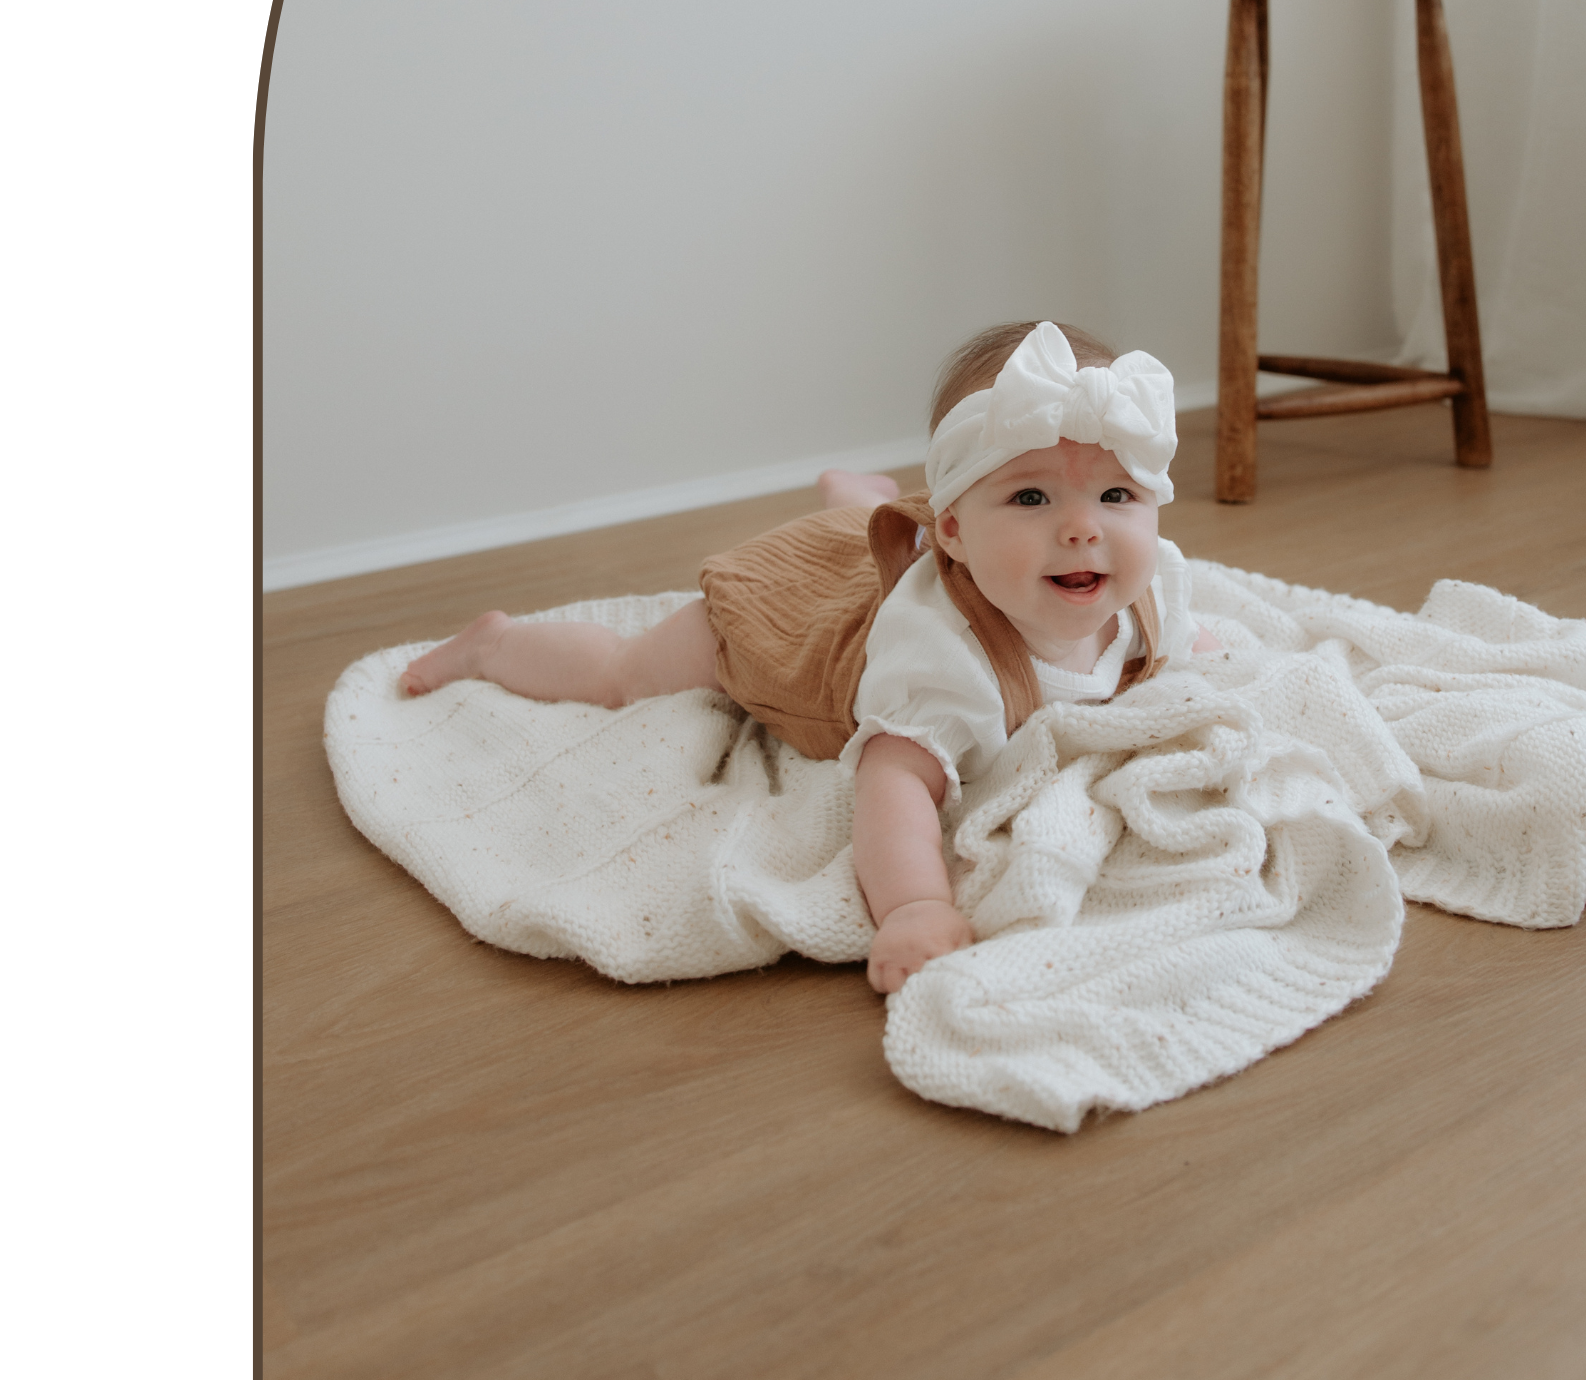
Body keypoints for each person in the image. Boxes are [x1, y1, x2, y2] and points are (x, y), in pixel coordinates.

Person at [400, 321, 1220, 992]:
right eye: (1031, 496)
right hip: (796, 617)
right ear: (956, 532)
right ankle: (495, 645)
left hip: (909, 559)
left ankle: (859, 502)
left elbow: (1170, 637)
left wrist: (1194, 656)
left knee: (882, 538)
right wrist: (912, 907)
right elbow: (892, 786)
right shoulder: (944, 666)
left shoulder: (1149, 583)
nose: (1084, 528)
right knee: (628, 673)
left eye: (1117, 496)